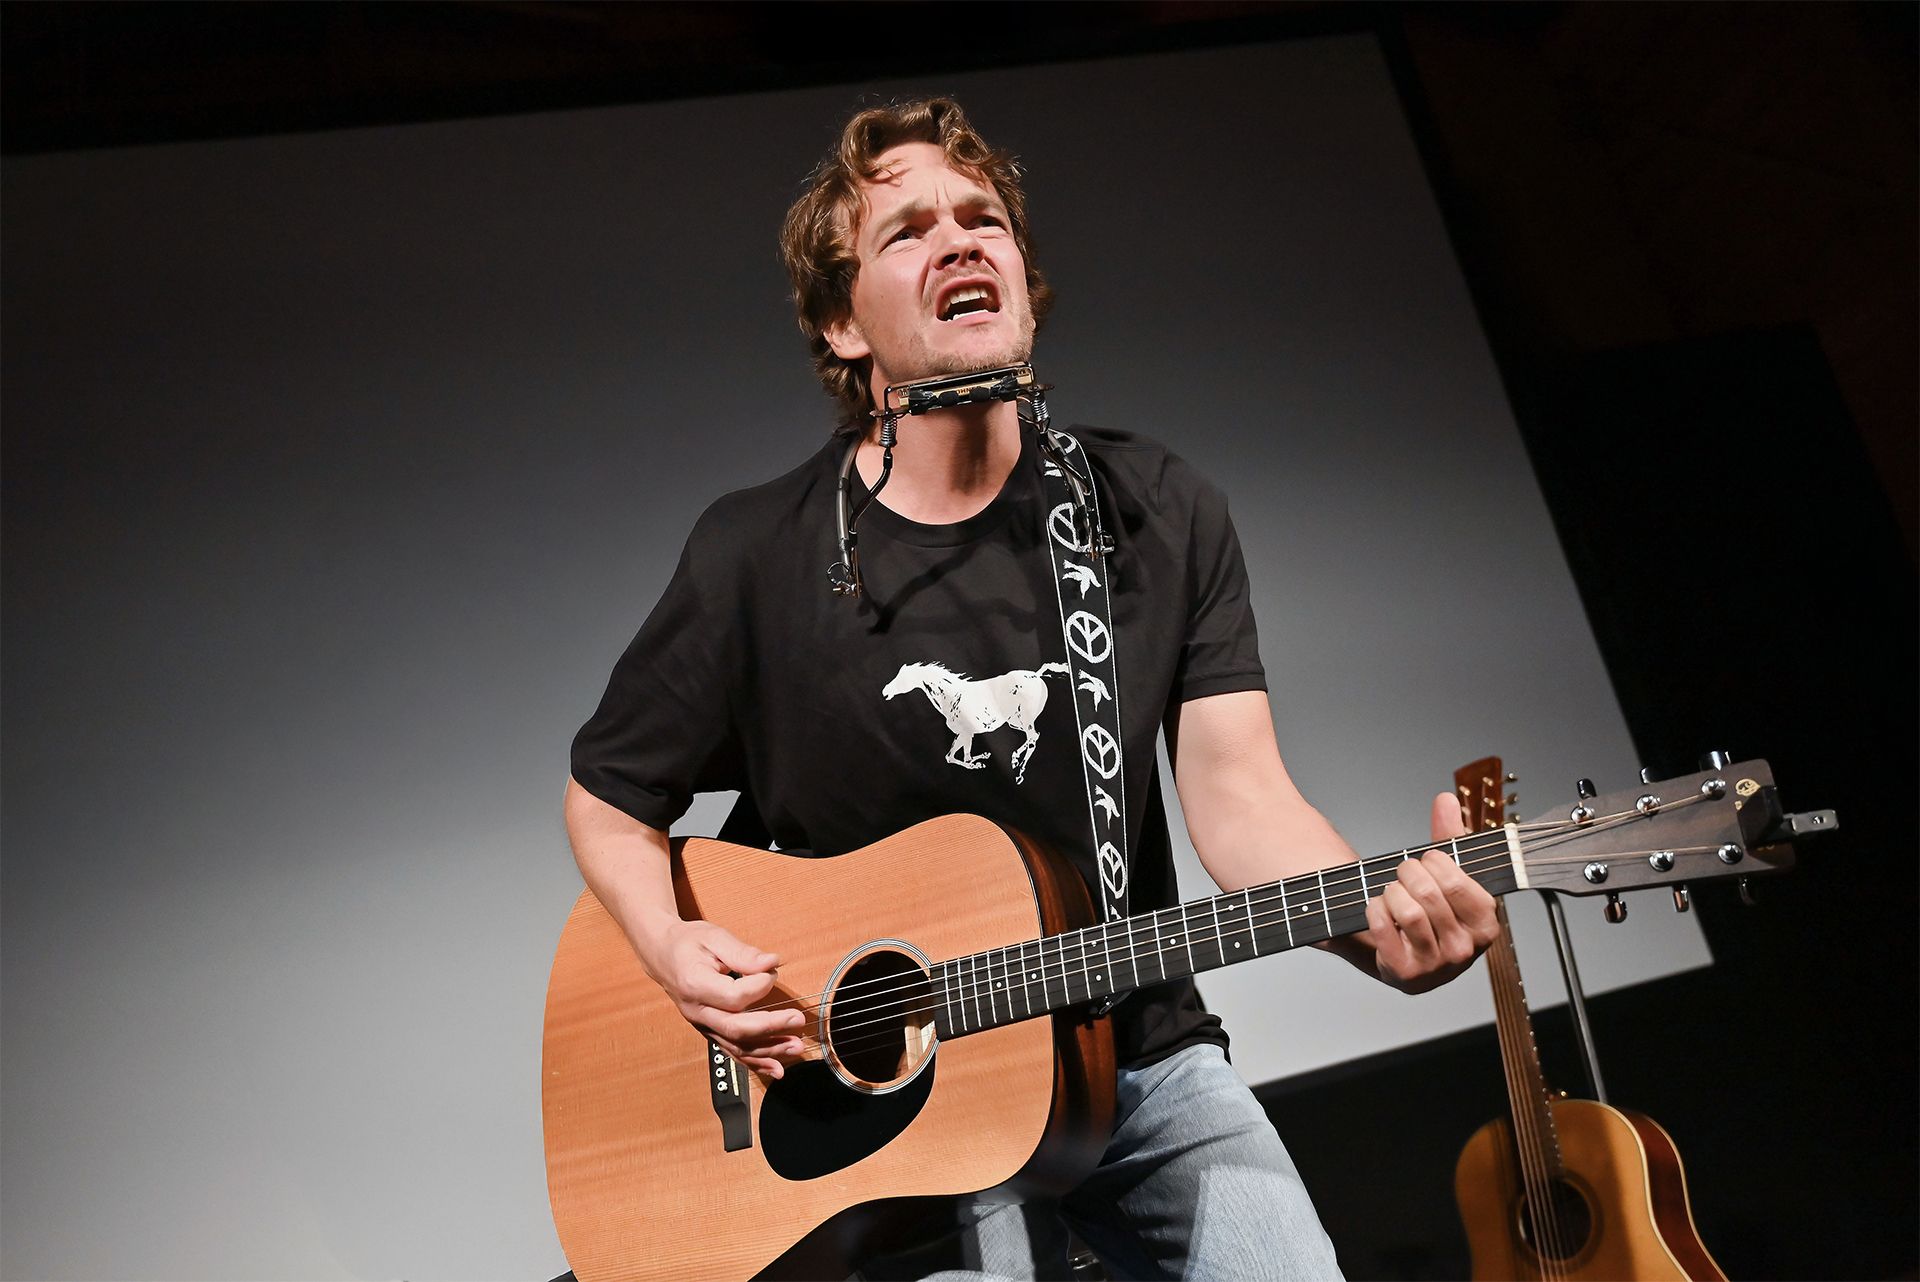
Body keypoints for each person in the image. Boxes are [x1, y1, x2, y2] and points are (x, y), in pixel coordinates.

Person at [565, 97, 1499, 1280]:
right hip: (884, 1112)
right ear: (842, 323)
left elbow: (1243, 801)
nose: (959, 242)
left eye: (983, 219)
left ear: (1017, 272)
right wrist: (670, 947)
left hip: (1136, 1055)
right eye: (908, 232)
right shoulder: (755, 555)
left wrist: (1374, 925)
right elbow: (608, 798)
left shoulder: (1152, 513)